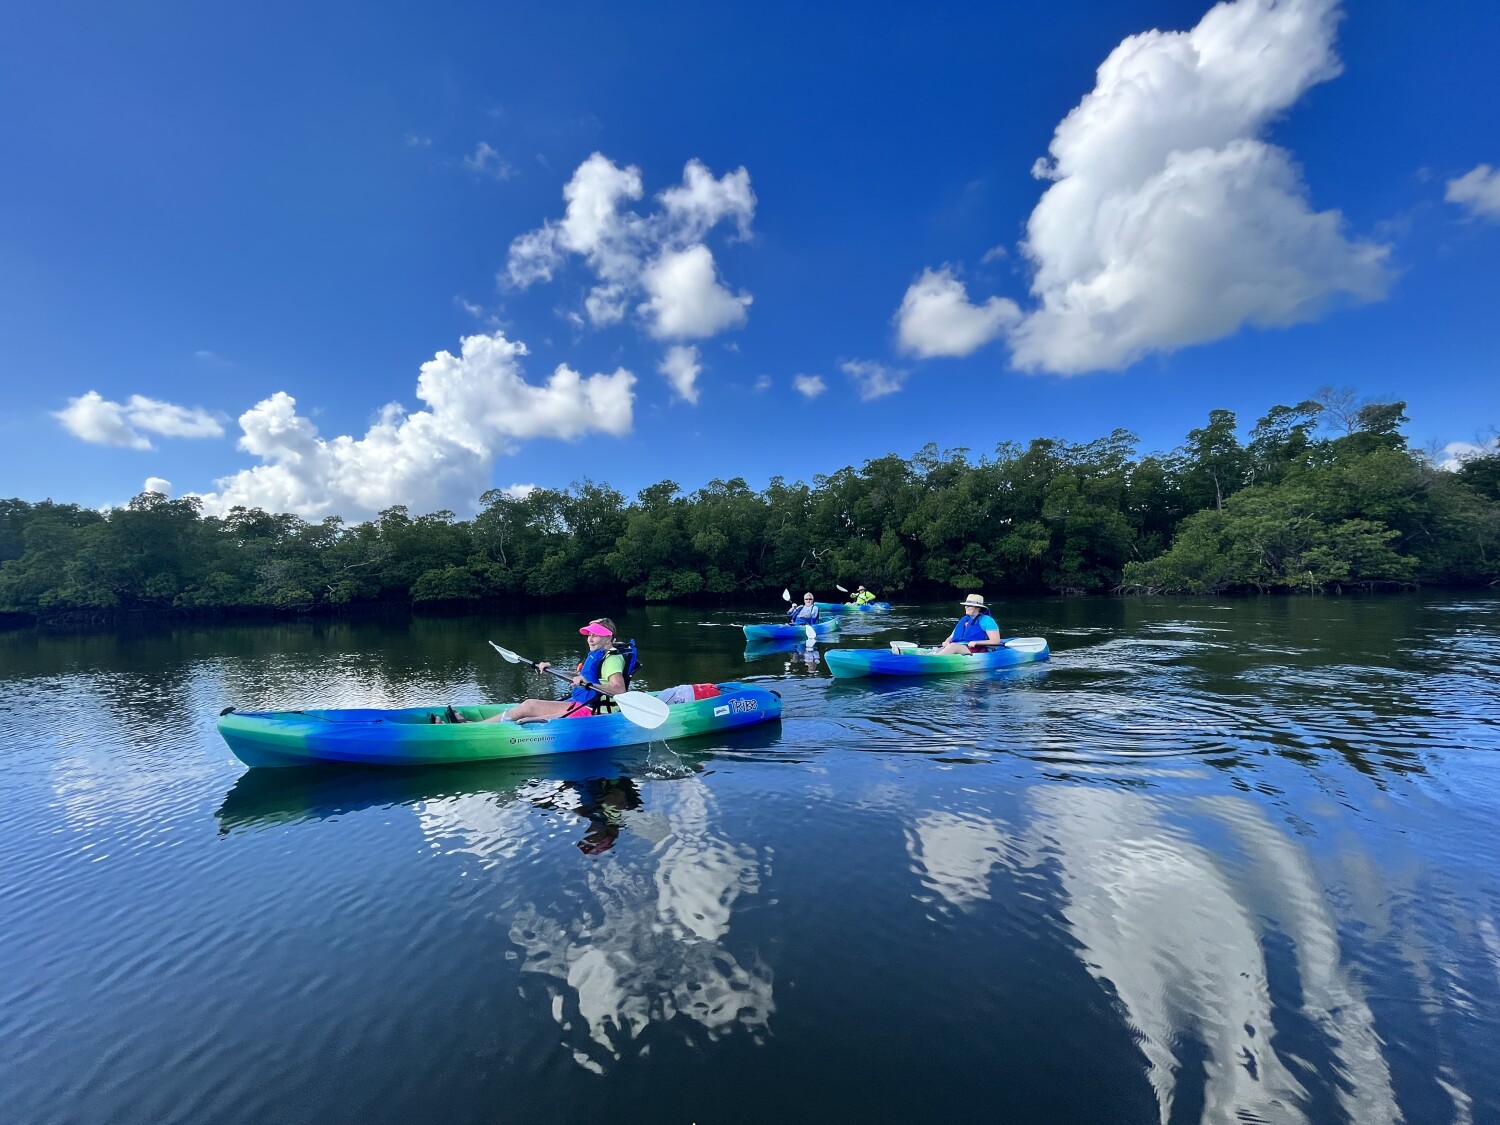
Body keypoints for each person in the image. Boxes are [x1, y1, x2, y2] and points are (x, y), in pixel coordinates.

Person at [469, 617, 629, 723]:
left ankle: (475, 728)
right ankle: (477, 726)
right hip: (584, 704)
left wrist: (585, 681)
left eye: (596, 635)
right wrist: (553, 670)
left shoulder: (612, 659)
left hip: (595, 712)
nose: (590, 638)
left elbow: (619, 689)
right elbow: (581, 677)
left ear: (609, 638)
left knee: (527, 715)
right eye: (589, 634)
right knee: (529, 706)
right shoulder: (600, 655)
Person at [936, 594, 1001, 654]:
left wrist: (976, 642)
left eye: (969, 606)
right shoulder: (964, 619)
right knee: (939, 650)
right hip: (959, 647)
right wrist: (947, 641)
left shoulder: (987, 620)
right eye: (966, 605)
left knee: (953, 646)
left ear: (977, 608)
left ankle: (935, 661)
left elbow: (995, 641)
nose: (966, 607)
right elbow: (951, 637)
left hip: (976, 649)